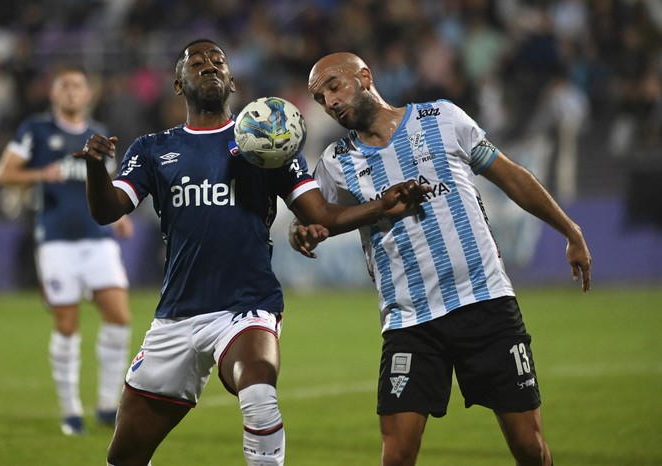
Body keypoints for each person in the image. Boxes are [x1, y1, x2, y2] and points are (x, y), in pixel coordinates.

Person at [73, 39, 428, 466]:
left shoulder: (269, 139)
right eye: (197, 62)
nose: (209, 66)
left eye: (218, 61)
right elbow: (108, 210)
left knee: (259, 393)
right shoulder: (152, 149)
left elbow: (321, 214)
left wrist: (381, 205)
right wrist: (95, 168)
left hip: (247, 307)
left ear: (232, 80)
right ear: (178, 84)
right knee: (124, 456)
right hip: (177, 315)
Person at [289, 52, 593, 466]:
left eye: (334, 86)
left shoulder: (442, 117)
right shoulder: (335, 163)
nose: (330, 102)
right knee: (396, 456)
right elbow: (315, 219)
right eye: (321, 98)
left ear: (364, 77)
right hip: (409, 321)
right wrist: (301, 232)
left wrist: (571, 231)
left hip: (484, 302)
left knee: (528, 447)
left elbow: (511, 176)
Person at [0, 66, 133, 436]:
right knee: (67, 323)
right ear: (54, 94)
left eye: (78, 86)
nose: (72, 91)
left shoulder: (100, 135)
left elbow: (106, 187)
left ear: (89, 94)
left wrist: (119, 219)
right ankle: (71, 411)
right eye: (65, 86)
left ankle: (106, 405)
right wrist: (41, 174)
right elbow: (3, 173)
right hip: (55, 242)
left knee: (119, 317)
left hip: (99, 239)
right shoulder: (35, 130)